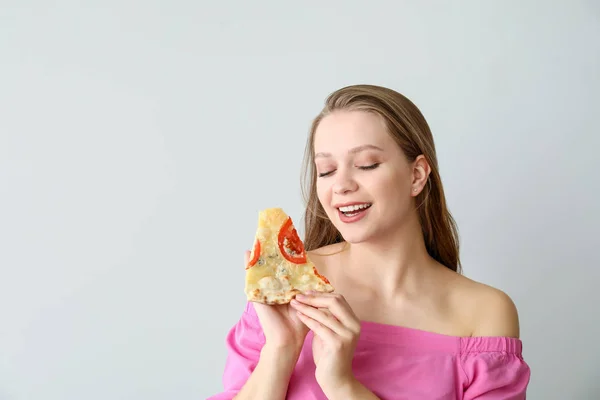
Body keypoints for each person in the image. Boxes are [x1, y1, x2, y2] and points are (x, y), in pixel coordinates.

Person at [208, 84, 531, 399]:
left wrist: (342, 385)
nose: (342, 185)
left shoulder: (483, 313)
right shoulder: (288, 288)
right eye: (326, 170)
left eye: (366, 165)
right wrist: (281, 349)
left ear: (417, 175)